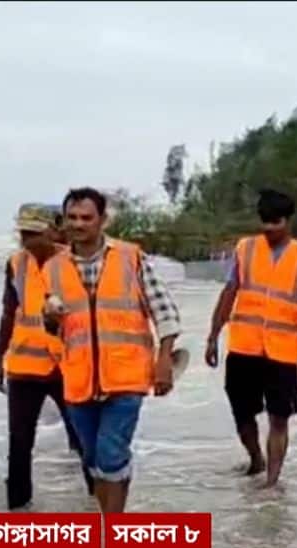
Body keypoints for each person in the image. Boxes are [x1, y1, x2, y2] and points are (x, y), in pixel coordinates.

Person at [41, 187, 182, 514]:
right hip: (79, 380)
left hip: (126, 376)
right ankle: (111, 522)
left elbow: (165, 312)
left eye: (86, 218)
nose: (78, 224)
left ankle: (111, 533)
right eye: (72, 218)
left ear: (102, 220)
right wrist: (49, 318)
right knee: (92, 459)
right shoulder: (53, 268)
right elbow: (53, 327)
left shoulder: (131, 258)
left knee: (110, 454)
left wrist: (164, 360)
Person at [205, 189, 297, 488]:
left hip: (282, 352)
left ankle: (271, 484)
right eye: (265, 222)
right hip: (244, 347)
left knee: (279, 417)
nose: (269, 228)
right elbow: (229, 292)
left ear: (288, 221)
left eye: (276, 222)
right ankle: (256, 457)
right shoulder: (245, 249)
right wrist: (213, 335)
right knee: (242, 412)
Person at [0, 203, 84, 510]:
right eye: (23, 233)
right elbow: (9, 312)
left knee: (83, 440)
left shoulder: (75, 263)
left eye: (33, 233)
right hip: (24, 368)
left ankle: (95, 507)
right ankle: (18, 512)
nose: (26, 240)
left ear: (54, 231)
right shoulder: (16, 264)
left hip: (67, 367)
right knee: (19, 444)